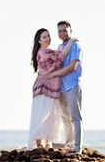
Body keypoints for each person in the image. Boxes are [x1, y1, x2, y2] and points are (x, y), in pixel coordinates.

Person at [27, 28, 70, 149]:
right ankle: (39, 142)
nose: (48, 38)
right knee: (42, 113)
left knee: (50, 113)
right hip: (44, 86)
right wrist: (72, 41)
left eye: (48, 36)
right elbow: (60, 57)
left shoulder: (49, 51)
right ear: (39, 41)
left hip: (52, 86)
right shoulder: (43, 52)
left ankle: (46, 141)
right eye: (44, 37)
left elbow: (59, 57)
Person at [44, 20, 82, 154]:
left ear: (70, 30)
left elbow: (72, 67)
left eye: (65, 30)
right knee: (65, 118)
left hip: (72, 85)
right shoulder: (60, 47)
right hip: (61, 87)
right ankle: (69, 145)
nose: (62, 33)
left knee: (75, 117)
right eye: (60, 31)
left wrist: (53, 74)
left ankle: (77, 147)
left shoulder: (76, 45)